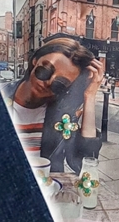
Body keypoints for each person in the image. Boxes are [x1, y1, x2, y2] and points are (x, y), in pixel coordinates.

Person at [9, 34, 105, 172]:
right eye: (46, 70)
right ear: (35, 61)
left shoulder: (63, 117)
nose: (48, 82)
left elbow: (83, 164)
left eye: (59, 83)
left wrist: (89, 96)